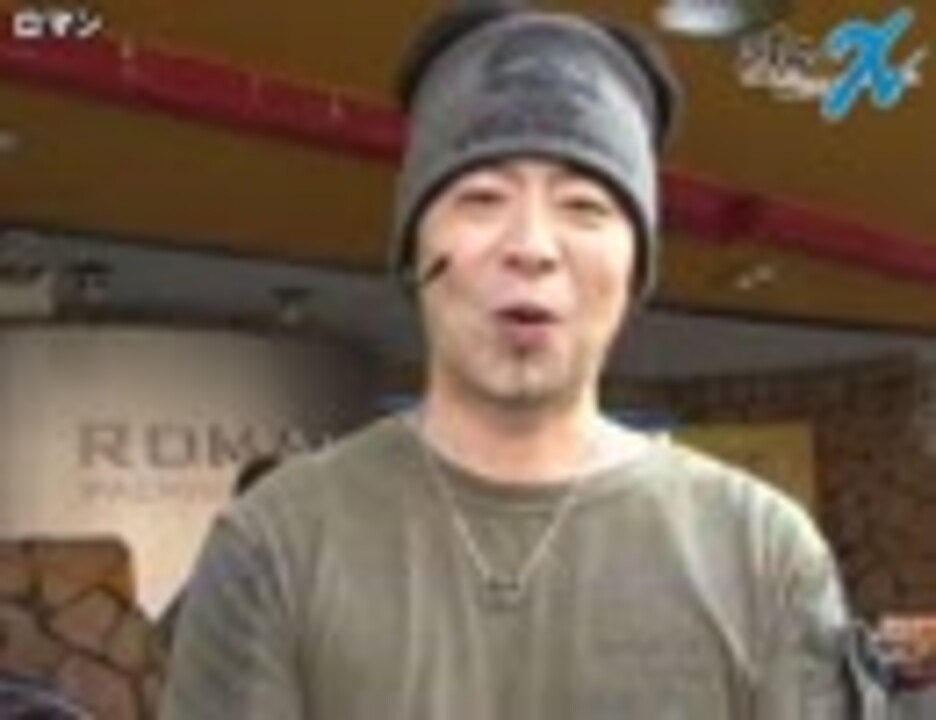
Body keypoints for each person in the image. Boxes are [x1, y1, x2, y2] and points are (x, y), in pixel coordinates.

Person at [161, 4, 856, 718]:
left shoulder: (761, 552)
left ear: (636, 267)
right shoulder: (275, 543)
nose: (531, 246)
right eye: (482, 198)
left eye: (584, 206)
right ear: (413, 248)